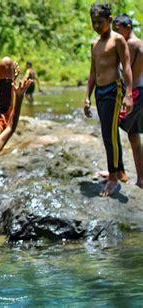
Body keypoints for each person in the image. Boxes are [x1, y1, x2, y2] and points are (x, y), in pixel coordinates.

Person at [84, 3, 133, 196]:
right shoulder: (94, 45)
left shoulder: (118, 40)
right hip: (100, 92)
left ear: (110, 20)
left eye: (100, 22)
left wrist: (129, 94)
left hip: (114, 89)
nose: (97, 26)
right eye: (93, 22)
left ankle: (113, 177)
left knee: (108, 134)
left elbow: (127, 67)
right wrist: (87, 96)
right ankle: (118, 171)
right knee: (109, 132)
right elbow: (92, 72)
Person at [113, 13, 143, 188]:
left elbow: (127, 71)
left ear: (128, 27)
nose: (116, 34)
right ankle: (140, 178)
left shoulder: (131, 44)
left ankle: (118, 171)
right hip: (140, 91)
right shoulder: (140, 42)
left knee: (112, 125)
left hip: (135, 93)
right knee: (133, 134)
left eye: (119, 30)